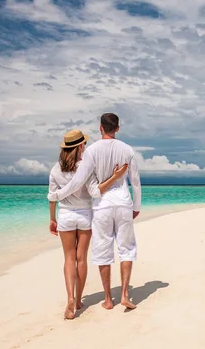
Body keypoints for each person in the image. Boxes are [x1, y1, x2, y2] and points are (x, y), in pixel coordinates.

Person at [48, 113, 142, 310]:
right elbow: (135, 182)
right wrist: (136, 207)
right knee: (126, 249)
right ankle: (124, 294)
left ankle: (107, 299)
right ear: (117, 128)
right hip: (123, 202)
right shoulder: (128, 150)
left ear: (101, 128)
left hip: (101, 205)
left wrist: (56, 195)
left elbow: (77, 182)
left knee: (102, 250)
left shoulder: (91, 151)